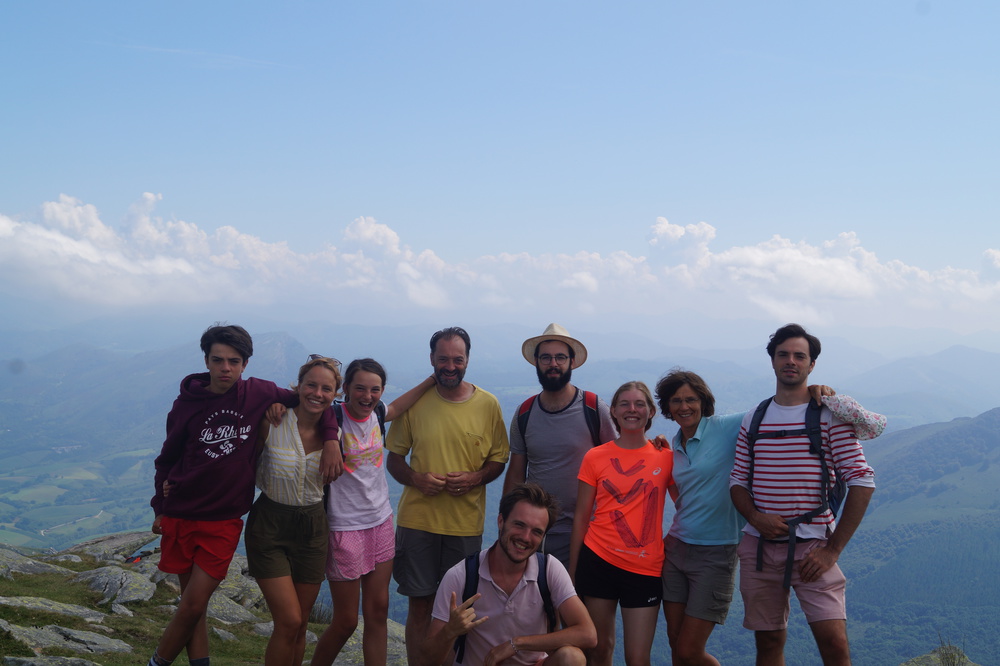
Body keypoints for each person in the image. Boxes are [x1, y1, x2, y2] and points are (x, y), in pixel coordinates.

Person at [654, 369, 883, 666]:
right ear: (667, 408)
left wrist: (818, 392)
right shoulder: (673, 444)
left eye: (691, 399)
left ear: (703, 401)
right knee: (676, 643)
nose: (684, 406)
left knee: (688, 650)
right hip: (675, 547)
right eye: (676, 401)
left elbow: (778, 411)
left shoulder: (727, 426)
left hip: (717, 550)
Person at [147, 325, 340, 666]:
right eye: (218, 360)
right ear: (205, 360)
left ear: (245, 364)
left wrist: (330, 438)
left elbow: (313, 401)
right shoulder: (186, 405)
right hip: (182, 510)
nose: (226, 368)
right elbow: (167, 458)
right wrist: (160, 507)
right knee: (195, 606)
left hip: (224, 518)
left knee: (193, 603)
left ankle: (157, 661)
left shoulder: (258, 394)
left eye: (234, 361)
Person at [729, 324, 876, 666]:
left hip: (814, 547)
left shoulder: (829, 417)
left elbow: (862, 481)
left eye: (800, 356)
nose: (790, 361)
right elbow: (737, 481)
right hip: (761, 546)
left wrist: (832, 551)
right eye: (783, 355)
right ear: (772, 361)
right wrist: (754, 517)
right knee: (768, 643)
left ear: (812, 366)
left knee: (834, 644)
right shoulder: (755, 418)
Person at [385, 326, 510, 664]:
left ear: (468, 360)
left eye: (458, 359)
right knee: (421, 604)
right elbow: (393, 459)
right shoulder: (416, 403)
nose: (450, 366)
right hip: (418, 522)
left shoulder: (488, 404)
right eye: (443, 359)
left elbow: (499, 458)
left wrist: (476, 477)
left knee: (458, 610)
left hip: (464, 525)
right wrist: (415, 478)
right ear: (432, 360)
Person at [310, 359, 435, 666]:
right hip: (344, 527)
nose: (367, 396)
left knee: (378, 613)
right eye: (360, 389)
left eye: (375, 390)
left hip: (380, 521)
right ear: (346, 389)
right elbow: (301, 404)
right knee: (346, 621)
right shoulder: (332, 419)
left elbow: (397, 407)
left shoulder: (377, 414)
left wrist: (433, 379)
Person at [423, 483, 598, 666]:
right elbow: (426, 661)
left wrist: (517, 643)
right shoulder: (462, 576)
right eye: (519, 525)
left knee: (572, 658)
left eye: (536, 532)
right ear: (501, 521)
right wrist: (449, 631)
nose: (525, 537)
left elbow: (588, 634)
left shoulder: (548, 569)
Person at [245, 356, 344, 666]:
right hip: (269, 525)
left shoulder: (337, 433)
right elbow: (241, 461)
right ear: (298, 386)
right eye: (311, 385)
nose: (317, 393)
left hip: (313, 528)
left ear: (335, 394)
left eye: (326, 388)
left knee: (300, 623)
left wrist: (332, 441)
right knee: (288, 620)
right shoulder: (272, 419)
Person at [569, 381, 676, 666]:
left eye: (640, 404)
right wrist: (573, 569)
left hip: (645, 568)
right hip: (598, 560)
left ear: (651, 411)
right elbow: (582, 516)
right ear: (613, 411)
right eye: (624, 404)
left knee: (637, 659)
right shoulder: (595, 456)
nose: (632, 410)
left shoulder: (666, 457)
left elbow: (688, 504)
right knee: (599, 650)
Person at [503, 323, 617, 567]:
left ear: (572, 362)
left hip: (585, 532)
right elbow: (516, 472)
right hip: (533, 535)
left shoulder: (593, 408)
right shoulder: (524, 413)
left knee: (577, 601)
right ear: (536, 362)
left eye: (560, 357)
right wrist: (506, 521)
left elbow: (620, 460)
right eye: (546, 357)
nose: (553, 364)